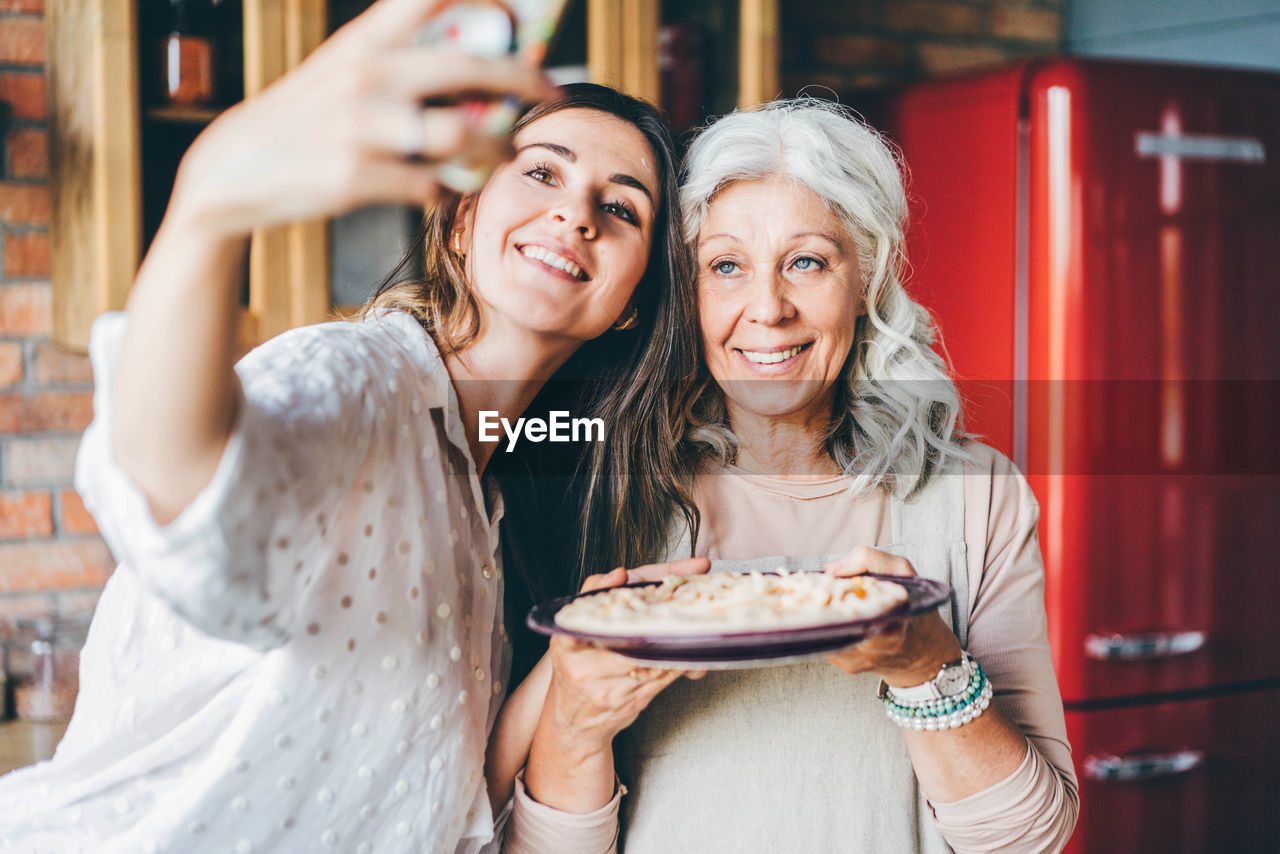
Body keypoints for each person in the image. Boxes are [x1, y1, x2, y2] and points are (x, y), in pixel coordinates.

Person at [0, 1, 699, 850]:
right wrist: (211, 203)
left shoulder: (485, 507)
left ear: (632, 307)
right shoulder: (362, 385)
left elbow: (432, 808)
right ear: (462, 216)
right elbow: (177, 488)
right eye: (542, 173)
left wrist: (572, 658)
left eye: (621, 208)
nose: (576, 214)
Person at [499, 99, 1079, 853]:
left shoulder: (975, 497)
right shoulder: (602, 486)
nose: (767, 309)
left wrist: (929, 666)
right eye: (726, 266)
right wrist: (574, 730)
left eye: (806, 261)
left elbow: (1029, 838)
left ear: (865, 281)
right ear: (685, 291)